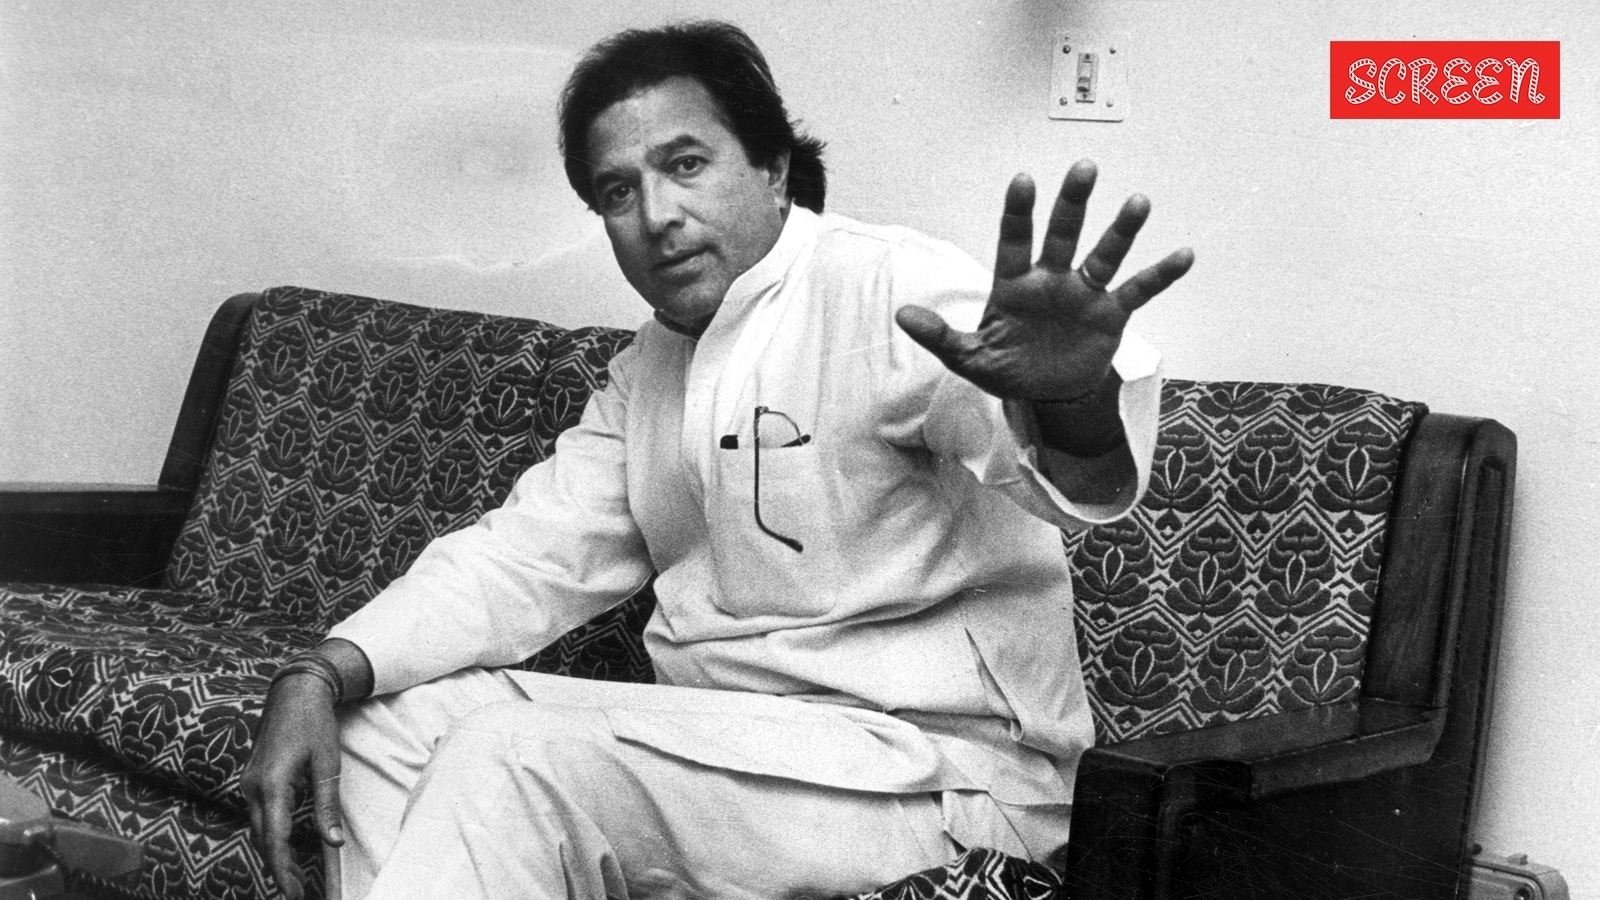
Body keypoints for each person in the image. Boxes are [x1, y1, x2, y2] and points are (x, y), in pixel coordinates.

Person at [242, 19, 1194, 900]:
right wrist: (321, 671)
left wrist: (1070, 397)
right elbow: (524, 556)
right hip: (739, 759)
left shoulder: (883, 286)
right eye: (618, 191)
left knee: (515, 753)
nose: (656, 214)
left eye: (685, 164)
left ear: (774, 169)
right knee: (375, 731)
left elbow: (1072, 476)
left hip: (938, 774)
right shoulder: (650, 368)